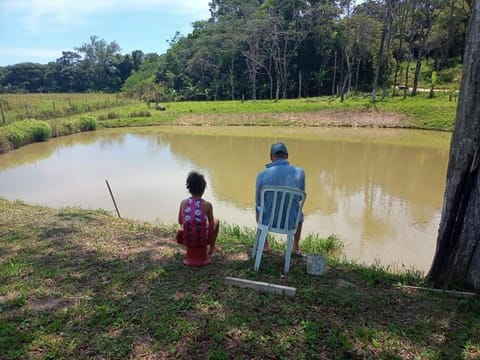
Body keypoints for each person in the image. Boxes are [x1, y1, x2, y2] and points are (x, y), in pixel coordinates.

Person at [255, 142, 306, 255]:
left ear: (271, 157)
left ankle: (265, 245)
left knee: (258, 208)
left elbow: (259, 201)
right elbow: (300, 196)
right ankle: (296, 247)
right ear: (287, 156)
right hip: (291, 221)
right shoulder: (300, 172)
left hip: (267, 221)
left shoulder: (261, 175)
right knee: (299, 213)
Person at [178, 171, 220, 255]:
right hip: (203, 239)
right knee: (216, 220)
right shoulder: (207, 205)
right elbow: (211, 225)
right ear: (203, 189)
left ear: (189, 188)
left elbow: (180, 221)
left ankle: (191, 247)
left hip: (187, 239)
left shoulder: (183, 203)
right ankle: (211, 247)